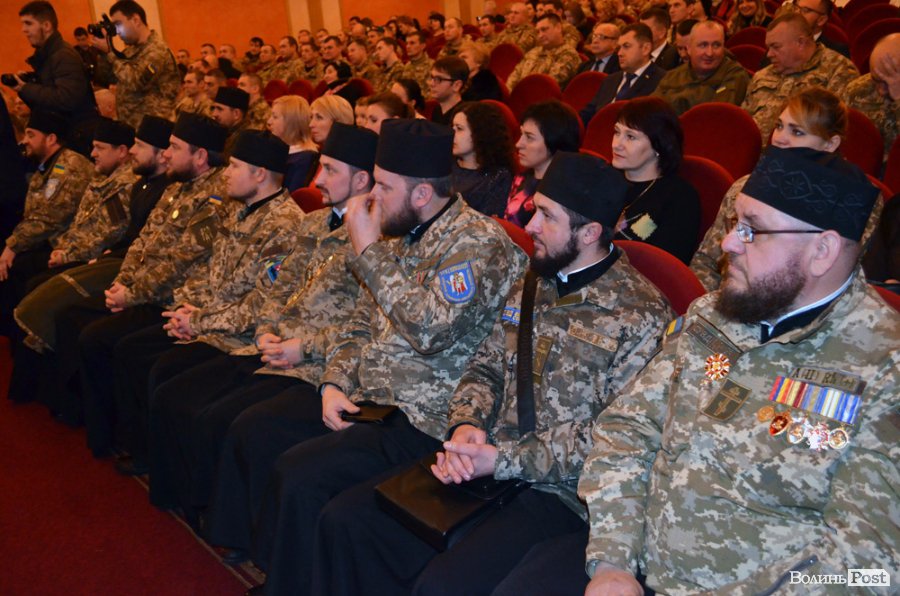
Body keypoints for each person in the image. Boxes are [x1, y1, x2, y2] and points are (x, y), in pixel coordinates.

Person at [311, 150, 675, 596]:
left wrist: (501, 459)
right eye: (535, 209)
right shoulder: (534, 279)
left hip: (562, 494)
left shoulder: (641, 317)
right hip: (489, 465)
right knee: (349, 522)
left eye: (547, 216)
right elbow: (485, 365)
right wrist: (466, 423)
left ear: (590, 232)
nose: (530, 226)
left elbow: (612, 440)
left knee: (443, 585)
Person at [211, 118, 527, 596]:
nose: (371, 196)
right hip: (368, 397)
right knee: (272, 445)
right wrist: (334, 382)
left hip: (424, 415)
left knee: (303, 478)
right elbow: (359, 323)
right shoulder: (400, 231)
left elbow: (428, 332)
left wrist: (367, 249)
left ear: (422, 193)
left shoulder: (477, 244)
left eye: (383, 186)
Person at [579, 145, 896, 595]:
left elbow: (869, 568)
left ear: (822, 250)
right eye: (734, 224)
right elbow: (628, 428)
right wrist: (613, 561)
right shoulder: (714, 314)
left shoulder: (885, 369)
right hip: (633, 565)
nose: (727, 243)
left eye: (753, 230)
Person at [154, 122, 378, 552]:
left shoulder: (376, 240)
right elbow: (278, 287)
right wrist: (266, 332)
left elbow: (364, 324)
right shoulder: (314, 224)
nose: (317, 180)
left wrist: (301, 348)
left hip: (320, 368)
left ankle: (237, 536)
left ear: (361, 180)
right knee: (193, 397)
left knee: (244, 426)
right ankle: (196, 505)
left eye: (330, 170)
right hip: (272, 351)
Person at [111, 130, 307, 504]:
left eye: (234, 166)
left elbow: (260, 304)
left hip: (240, 339)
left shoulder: (285, 225)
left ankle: (179, 489)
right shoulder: (239, 208)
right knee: (136, 352)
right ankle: (157, 464)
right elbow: (209, 272)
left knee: (167, 377)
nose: (226, 173)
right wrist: (186, 308)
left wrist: (199, 321)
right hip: (210, 321)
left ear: (260, 174)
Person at [77, 113, 229, 459]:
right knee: (84, 326)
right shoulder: (177, 186)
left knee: (115, 344)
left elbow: (179, 261)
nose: (166, 154)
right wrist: (122, 281)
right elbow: (143, 241)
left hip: (172, 298)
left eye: (174, 147)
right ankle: (105, 432)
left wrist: (131, 294)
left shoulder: (216, 197)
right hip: (147, 290)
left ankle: (131, 443)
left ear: (200, 156)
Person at [8, 115, 173, 418]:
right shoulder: (139, 184)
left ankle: (62, 402)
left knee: (57, 303)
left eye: (139, 145)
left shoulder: (143, 186)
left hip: (120, 267)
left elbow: (113, 232)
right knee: (30, 280)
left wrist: (72, 254)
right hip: (106, 257)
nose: (92, 153)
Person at [691, 86, 858, 291]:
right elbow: (706, 261)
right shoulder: (744, 187)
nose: (779, 138)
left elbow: (833, 288)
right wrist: (707, 304)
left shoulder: (848, 205)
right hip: (726, 299)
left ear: (830, 144)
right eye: (779, 126)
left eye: (797, 132)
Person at [0, 110, 92, 336]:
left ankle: (20, 336)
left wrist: (13, 245)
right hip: (49, 241)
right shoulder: (47, 165)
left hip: (67, 247)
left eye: (31, 135)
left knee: (16, 267)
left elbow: (50, 217)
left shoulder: (68, 166)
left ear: (51, 138)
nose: (24, 140)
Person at [742, 13, 859, 144]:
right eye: (768, 48)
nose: (769, 54)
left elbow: (838, 128)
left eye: (776, 47)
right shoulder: (762, 75)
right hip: (753, 151)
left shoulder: (839, 71)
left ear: (801, 43)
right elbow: (743, 123)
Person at [610, 97, 701, 263]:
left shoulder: (679, 197)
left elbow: (665, 266)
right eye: (617, 132)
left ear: (658, 145)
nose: (617, 144)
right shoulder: (602, 178)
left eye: (630, 137)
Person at [12, 2, 99, 158]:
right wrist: (27, 86)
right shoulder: (49, 56)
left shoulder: (63, 56)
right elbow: (47, 101)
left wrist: (27, 88)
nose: (23, 29)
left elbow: (66, 99)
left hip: (77, 140)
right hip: (68, 137)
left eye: (28, 23)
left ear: (46, 26)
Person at [91, 0, 180, 129]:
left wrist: (110, 53)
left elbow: (136, 82)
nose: (117, 32)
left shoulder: (157, 50)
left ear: (136, 20)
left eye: (118, 25)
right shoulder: (131, 50)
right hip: (132, 126)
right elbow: (108, 77)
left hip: (154, 129)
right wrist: (104, 53)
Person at [505, 100, 581, 227]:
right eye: (521, 134)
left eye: (529, 137)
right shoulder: (521, 178)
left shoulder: (563, 192)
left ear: (554, 141)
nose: (518, 144)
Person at [653, 20, 750, 115]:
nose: (709, 53)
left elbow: (717, 114)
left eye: (716, 45)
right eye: (703, 45)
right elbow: (651, 111)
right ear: (689, 49)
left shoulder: (735, 74)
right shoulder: (672, 76)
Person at [580, 23, 667, 125]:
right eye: (619, 48)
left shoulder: (662, 81)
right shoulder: (610, 80)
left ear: (645, 49)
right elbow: (587, 114)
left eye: (626, 46)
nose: (619, 53)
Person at [842, 33, 900, 164]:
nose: (880, 90)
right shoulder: (857, 90)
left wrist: (898, 99)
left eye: (886, 82)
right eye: (876, 80)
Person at [451, 101, 515, 217]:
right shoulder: (445, 164)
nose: (452, 133)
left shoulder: (498, 176)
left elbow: (488, 222)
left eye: (459, 129)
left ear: (479, 133)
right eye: (452, 127)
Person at [506, 14, 581, 90]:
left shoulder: (568, 55)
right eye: (538, 32)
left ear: (558, 27)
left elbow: (547, 85)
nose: (540, 35)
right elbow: (514, 77)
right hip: (520, 94)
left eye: (544, 30)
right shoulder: (534, 51)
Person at [268, 95, 319, 192]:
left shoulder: (304, 159)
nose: (269, 121)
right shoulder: (276, 149)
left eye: (275, 117)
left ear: (291, 122)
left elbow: (291, 196)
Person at [429, 57, 469, 126]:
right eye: (432, 78)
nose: (431, 84)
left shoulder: (464, 115)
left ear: (457, 85)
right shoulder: (437, 110)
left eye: (438, 79)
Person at [641, 7, 681, 71]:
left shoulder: (675, 57)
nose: (640, 33)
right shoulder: (636, 53)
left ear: (662, 32)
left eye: (645, 29)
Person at [400, 31, 434, 99]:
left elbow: (432, 93)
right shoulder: (406, 66)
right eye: (407, 43)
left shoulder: (432, 66)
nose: (408, 46)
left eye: (412, 43)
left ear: (422, 46)